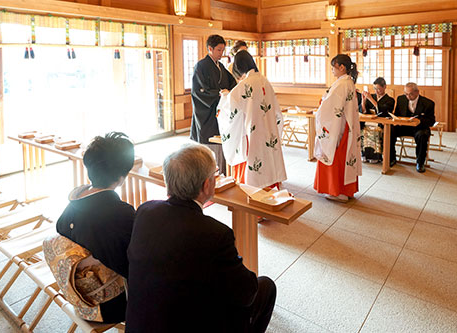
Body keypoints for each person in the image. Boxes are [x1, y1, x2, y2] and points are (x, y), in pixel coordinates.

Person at [125, 144, 276, 333]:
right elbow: (246, 292)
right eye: (215, 174)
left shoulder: (145, 211)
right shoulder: (215, 234)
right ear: (207, 185)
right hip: (192, 322)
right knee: (265, 287)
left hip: (140, 325)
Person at [55, 132, 136, 323]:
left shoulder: (75, 200)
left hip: (75, 294)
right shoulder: (120, 214)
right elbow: (133, 264)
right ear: (122, 175)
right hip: (107, 304)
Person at [218, 50, 286, 188]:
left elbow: (231, 111)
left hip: (251, 136)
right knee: (268, 164)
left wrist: (225, 96)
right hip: (268, 132)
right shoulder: (265, 81)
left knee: (252, 171)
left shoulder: (244, 85)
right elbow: (277, 113)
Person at [313, 54, 363, 202]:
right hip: (346, 125)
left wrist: (321, 105)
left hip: (338, 126)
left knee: (335, 155)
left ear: (342, 67)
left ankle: (337, 191)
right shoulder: (348, 82)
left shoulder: (342, 84)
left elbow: (330, 106)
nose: (332, 70)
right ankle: (345, 190)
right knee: (345, 157)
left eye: (333, 67)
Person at [191, 34, 237, 173]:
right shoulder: (201, 66)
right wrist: (218, 93)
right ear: (210, 49)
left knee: (220, 142)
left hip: (220, 109)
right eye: (218, 50)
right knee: (209, 143)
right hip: (207, 112)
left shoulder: (220, 66)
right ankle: (209, 174)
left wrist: (231, 91)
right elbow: (198, 91)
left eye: (223, 50)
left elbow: (232, 83)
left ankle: (222, 172)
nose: (221, 53)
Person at [390, 82, 436, 173]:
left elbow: (431, 121)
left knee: (422, 135)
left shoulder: (428, 103)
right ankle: (391, 158)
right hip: (404, 127)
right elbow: (397, 114)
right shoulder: (401, 99)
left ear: (417, 92)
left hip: (419, 128)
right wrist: (396, 120)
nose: (408, 96)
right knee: (389, 130)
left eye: (410, 94)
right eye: (406, 94)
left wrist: (420, 121)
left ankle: (420, 162)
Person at [360, 77, 395, 163]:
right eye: (375, 89)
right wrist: (363, 101)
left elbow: (384, 111)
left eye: (379, 89)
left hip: (381, 123)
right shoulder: (371, 97)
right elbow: (364, 111)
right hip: (369, 122)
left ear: (384, 87)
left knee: (377, 130)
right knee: (362, 128)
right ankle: (365, 154)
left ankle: (376, 156)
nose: (376, 91)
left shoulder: (390, 100)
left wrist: (371, 99)